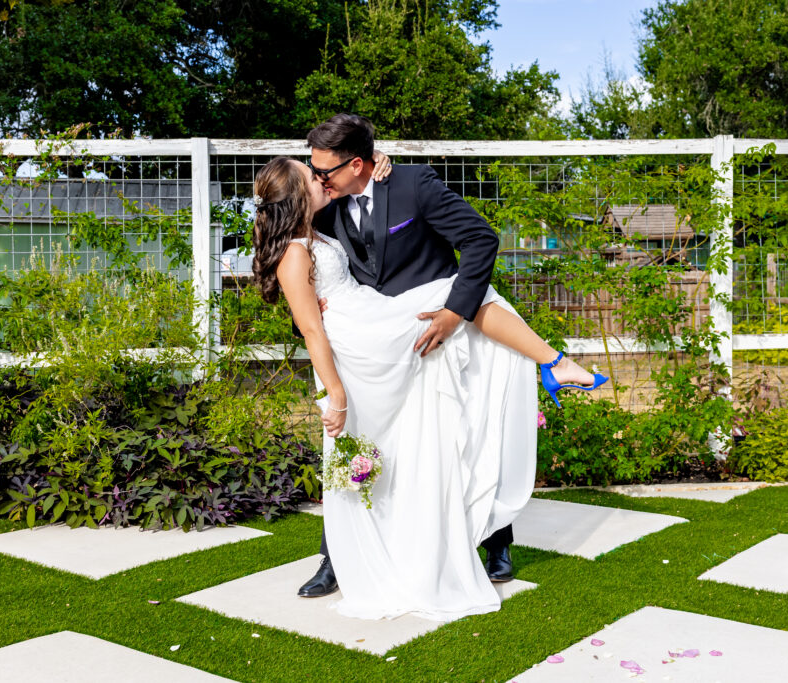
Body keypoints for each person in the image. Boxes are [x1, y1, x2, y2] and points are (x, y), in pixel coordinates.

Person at [252, 146, 604, 620]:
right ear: (298, 197)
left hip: (372, 317)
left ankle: (547, 368)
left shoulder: (330, 213)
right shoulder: (303, 243)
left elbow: (351, 168)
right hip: (362, 335)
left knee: (459, 309)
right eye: (310, 177)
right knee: (456, 297)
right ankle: (553, 361)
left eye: (322, 173)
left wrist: (375, 158)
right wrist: (334, 393)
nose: (319, 178)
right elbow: (310, 325)